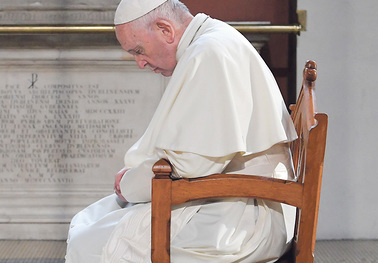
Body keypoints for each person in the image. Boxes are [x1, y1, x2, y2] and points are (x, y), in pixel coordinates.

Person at [65, 0, 298, 262]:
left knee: (90, 244)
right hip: (235, 198)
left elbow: (189, 165)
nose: (140, 63)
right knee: (93, 220)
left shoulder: (209, 53)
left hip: (243, 220)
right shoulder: (210, 40)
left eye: (139, 50)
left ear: (165, 29)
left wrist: (130, 183)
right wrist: (134, 178)